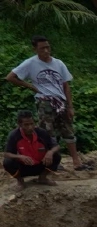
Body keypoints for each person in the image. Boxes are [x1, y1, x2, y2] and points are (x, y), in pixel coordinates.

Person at [6, 36, 85, 171]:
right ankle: (54, 161)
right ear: (35, 49)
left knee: (68, 130)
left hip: (60, 101)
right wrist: (29, 86)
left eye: (48, 47)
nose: (46, 50)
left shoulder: (59, 63)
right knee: (48, 132)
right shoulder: (30, 63)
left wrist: (70, 106)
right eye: (42, 48)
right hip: (44, 101)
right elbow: (10, 77)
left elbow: (66, 86)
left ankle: (76, 160)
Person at [4, 109, 60, 190]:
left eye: (32, 124)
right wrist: (20, 157)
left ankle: (42, 178)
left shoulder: (41, 132)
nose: (30, 127)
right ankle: (20, 181)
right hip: (23, 168)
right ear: (20, 124)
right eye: (26, 125)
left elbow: (57, 146)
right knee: (7, 162)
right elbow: (6, 153)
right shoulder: (14, 135)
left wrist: (50, 152)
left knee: (56, 155)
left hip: (41, 166)